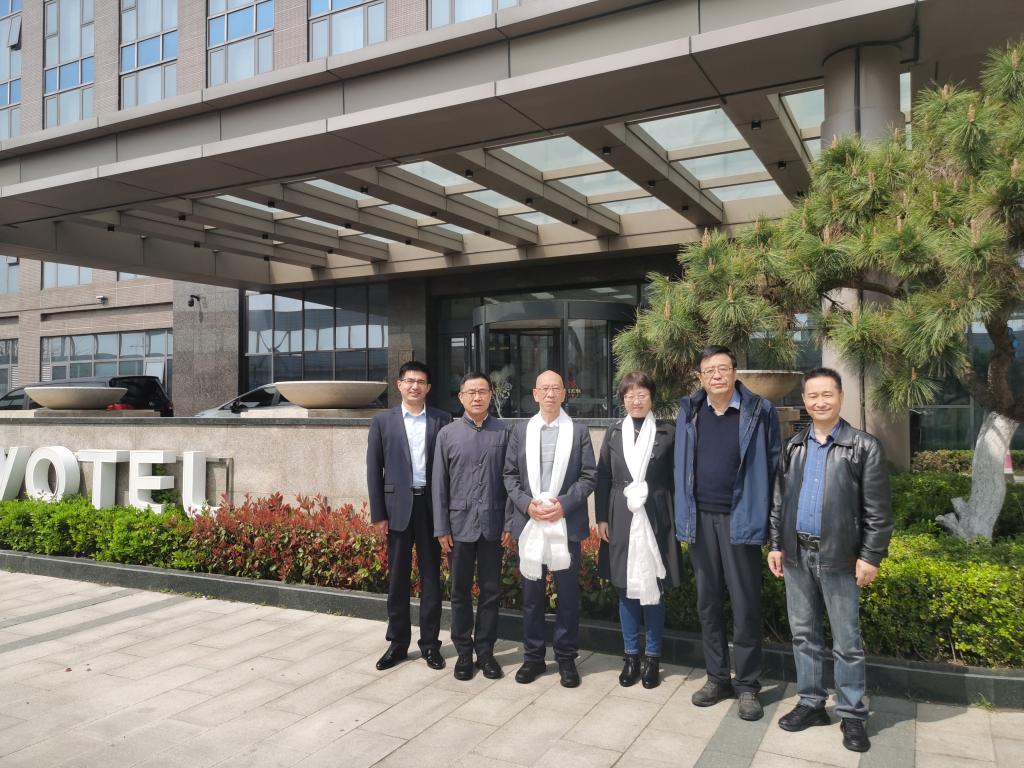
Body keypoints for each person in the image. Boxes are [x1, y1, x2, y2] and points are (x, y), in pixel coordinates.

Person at [768, 367, 893, 753]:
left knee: (847, 640)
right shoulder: (794, 446)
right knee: (803, 634)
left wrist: (870, 555)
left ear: (840, 397)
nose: (819, 401)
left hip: (839, 556)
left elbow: (878, 511)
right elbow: (779, 500)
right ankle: (811, 702)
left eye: (827, 394)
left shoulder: (863, 446)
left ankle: (853, 713)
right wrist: (776, 544)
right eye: (813, 395)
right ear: (804, 400)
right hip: (796, 555)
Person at [674, 346, 781, 721]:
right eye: (709, 370)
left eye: (722, 368)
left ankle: (748, 685)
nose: (716, 375)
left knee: (745, 604)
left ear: (735, 372)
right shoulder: (689, 410)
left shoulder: (759, 411)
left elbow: (775, 467)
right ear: (700, 377)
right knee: (707, 603)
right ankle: (717, 677)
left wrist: (773, 525)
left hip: (741, 519)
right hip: (701, 520)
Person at [504, 370, 597, 688]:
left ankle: (566, 658)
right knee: (532, 597)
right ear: (534, 394)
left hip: (565, 523)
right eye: (544, 388)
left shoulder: (578, 431)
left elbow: (589, 476)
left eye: (555, 388)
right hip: (530, 521)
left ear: (563, 394)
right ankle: (533, 657)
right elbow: (509, 475)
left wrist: (565, 504)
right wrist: (526, 504)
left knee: (568, 595)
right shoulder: (520, 430)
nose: (550, 394)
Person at [596, 371, 684, 689]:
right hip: (621, 514)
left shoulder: (668, 432)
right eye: (629, 395)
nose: (636, 400)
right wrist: (601, 518)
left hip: (657, 514)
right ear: (623, 399)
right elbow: (603, 476)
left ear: (651, 397)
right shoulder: (614, 433)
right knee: (625, 587)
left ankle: (653, 657)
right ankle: (631, 656)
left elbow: (677, 477)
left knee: (654, 588)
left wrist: (679, 519)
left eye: (642, 394)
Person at [367, 361, 452, 672]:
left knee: (431, 579)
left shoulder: (442, 419)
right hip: (397, 509)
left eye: (421, 382)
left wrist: (448, 514)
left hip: (431, 508)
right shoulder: (382, 421)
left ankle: (430, 644)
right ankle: (398, 643)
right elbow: (373, 469)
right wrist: (379, 514)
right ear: (399, 384)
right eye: (410, 381)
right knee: (398, 578)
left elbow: (449, 470)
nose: (415, 386)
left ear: (428, 387)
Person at [432, 371, 512, 681]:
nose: (477, 397)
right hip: (458, 527)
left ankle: (486, 652)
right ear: (461, 397)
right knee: (459, 591)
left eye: (482, 391)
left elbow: (512, 482)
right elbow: (439, 485)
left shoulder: (504, 432)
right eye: (471, 392)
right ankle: (464, 652)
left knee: (491, 591)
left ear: (491, 395)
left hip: (493, 525)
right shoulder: (447, 435)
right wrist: (441, 528)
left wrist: (510, 523)